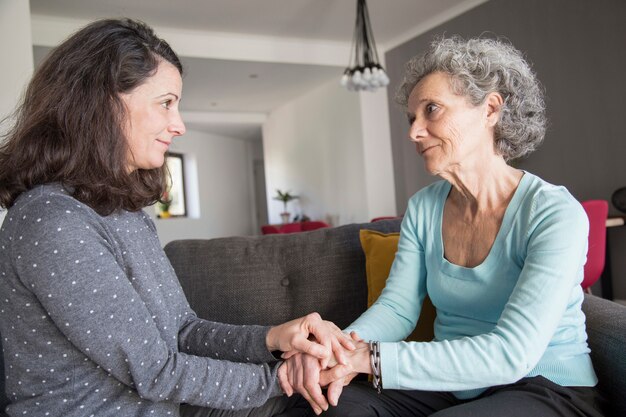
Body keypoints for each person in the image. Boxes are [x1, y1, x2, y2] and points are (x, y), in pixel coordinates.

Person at [0, 18, 353, 417]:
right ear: (103, 103)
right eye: (166, 102)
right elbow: (158, 372)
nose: (179, 125)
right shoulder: (52, 223)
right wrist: (282, 379)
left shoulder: (125, 212)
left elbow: (182, 331)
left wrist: (274, 339)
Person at [280, 36, 606, 417]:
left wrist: (373, 359)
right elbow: (398, 309)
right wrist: (334, 353)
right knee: (331, 406)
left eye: (431, 110)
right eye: (412, 118)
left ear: (490, 109)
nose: (414, 132)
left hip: (546, 386)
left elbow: (512, 353)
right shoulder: (423, 208)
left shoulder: (553, 212)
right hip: (453, 384)